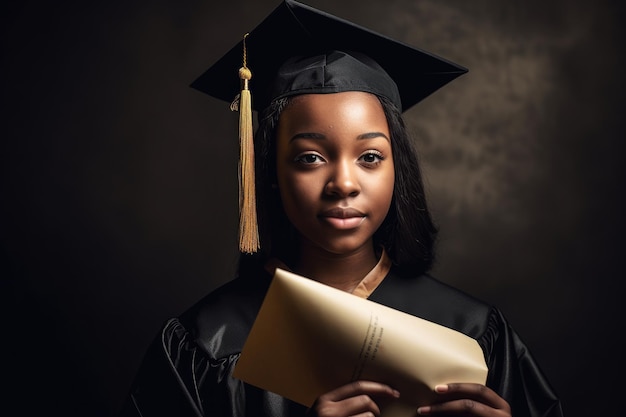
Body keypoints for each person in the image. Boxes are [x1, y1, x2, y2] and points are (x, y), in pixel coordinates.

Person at [120, 1, 564, 416]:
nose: (344, 184)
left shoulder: (472, 332)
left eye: (370, 157)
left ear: (398, 168)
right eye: (310, 157)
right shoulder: (205, 344)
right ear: (270, 170)